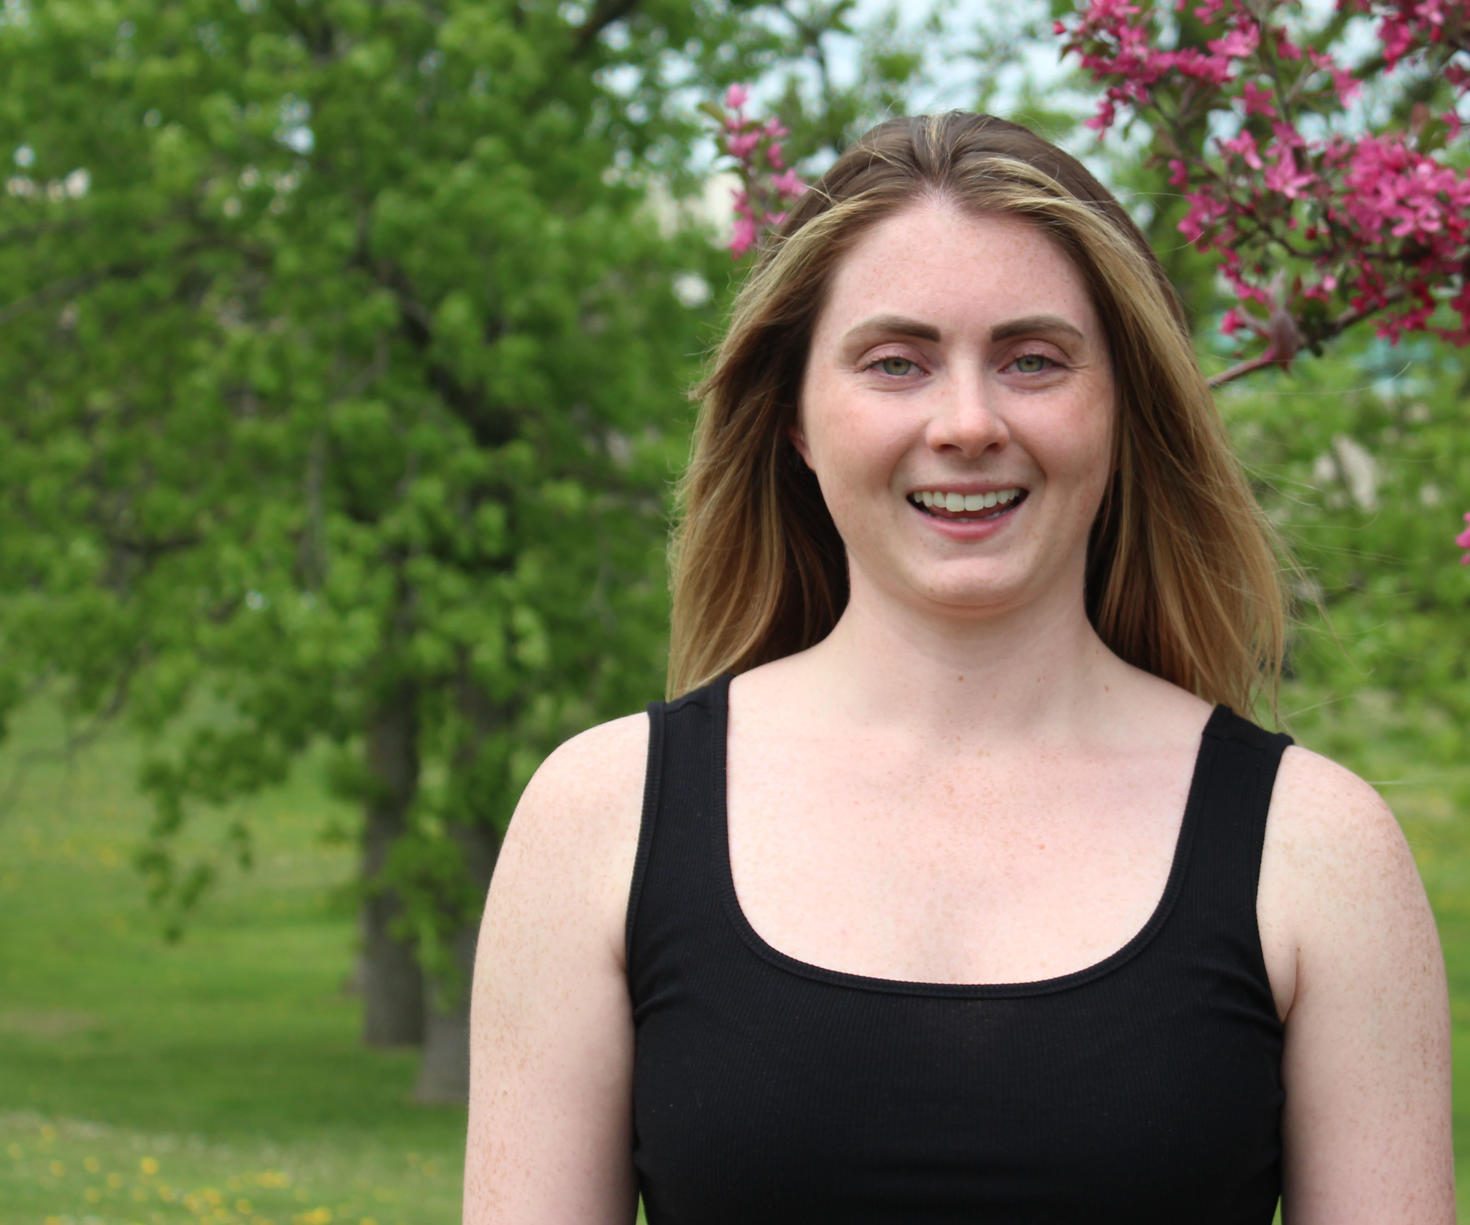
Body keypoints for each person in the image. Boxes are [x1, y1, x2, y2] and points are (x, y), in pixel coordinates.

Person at [462, 113, 1454, 1224]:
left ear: (1121, 405)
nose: (969, 422)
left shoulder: (1319, 850)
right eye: (898, 362)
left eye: (1034, 360)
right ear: (794, 414)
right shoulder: (599, 822)